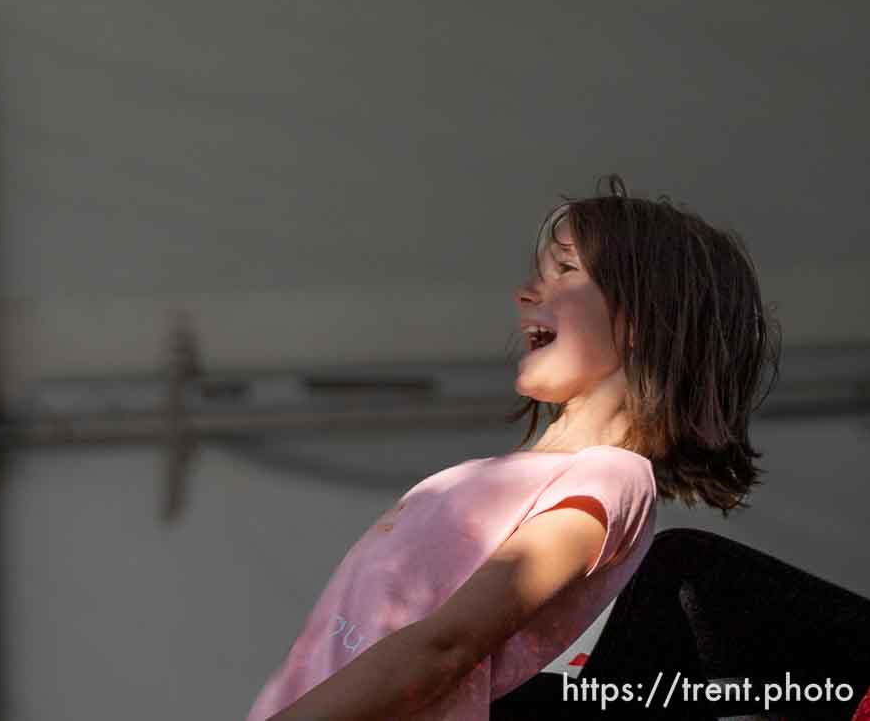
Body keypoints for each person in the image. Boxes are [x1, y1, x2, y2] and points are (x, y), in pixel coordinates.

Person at [246, 179, 780, 721]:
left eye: (566, 271)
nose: (525, 293)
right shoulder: (515, 475)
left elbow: (446, 648)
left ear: (643, 319)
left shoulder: (612, 478)